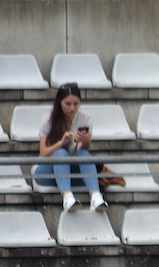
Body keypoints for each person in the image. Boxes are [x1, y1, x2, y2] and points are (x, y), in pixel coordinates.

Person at [36, 82, 108, 212]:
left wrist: (86, 142)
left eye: (76, 104)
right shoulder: (48, 119)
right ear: (60, 102)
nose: (72, 108)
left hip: (73, 171)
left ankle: (96, 197)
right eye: (68, 104)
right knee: (61, 153)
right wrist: (61, 143)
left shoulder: (86, 118)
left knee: (84, 154)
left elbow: (81, 150)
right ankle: (67, 198)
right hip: (48, 171)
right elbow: (43, 152)